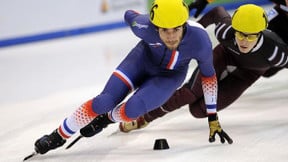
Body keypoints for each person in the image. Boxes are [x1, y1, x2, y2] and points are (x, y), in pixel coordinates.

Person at [32, 0, 228, 156]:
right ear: (154, 25)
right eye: (164, 30)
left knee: (132, 110)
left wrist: (213, 117)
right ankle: (58, 135)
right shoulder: (143, 25)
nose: (170, 36)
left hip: (170, 76)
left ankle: (106, 119)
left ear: (184, 25)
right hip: (141, 61)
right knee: (102, 101)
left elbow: (208, 77)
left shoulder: (200, 40)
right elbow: (129, 15)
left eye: (176, 29)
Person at [118, 4, 288, 134]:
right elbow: (218, 11)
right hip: (225, 55)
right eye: (240, 34)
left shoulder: (276, 53)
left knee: (199, 111)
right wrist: (191, 35)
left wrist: (269, 70)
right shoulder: (225, 31)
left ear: (260, 33)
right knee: (188, 94)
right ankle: (144, 117)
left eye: (251, 36)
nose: (244, 41)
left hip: (249, 72)